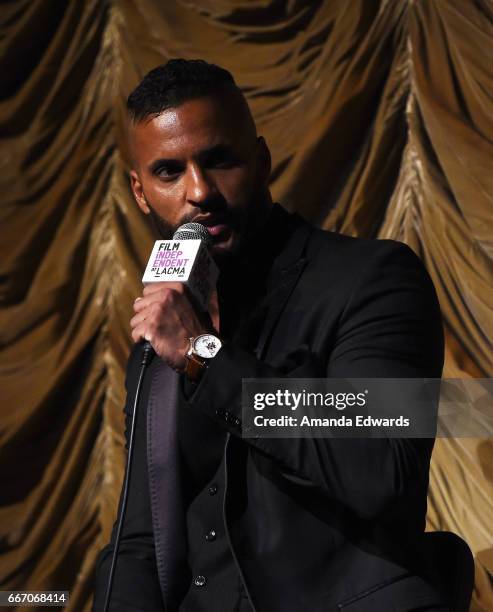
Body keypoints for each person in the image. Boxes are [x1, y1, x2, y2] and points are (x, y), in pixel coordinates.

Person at [93, 59, 457, 611]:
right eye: (169, 172)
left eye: (218, 160)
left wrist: (203, 356)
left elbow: (382, 464)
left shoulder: (374, 278)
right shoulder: (160, 332)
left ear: (261, 161)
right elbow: (140, 542)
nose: (198, 191)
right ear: (141, 193)